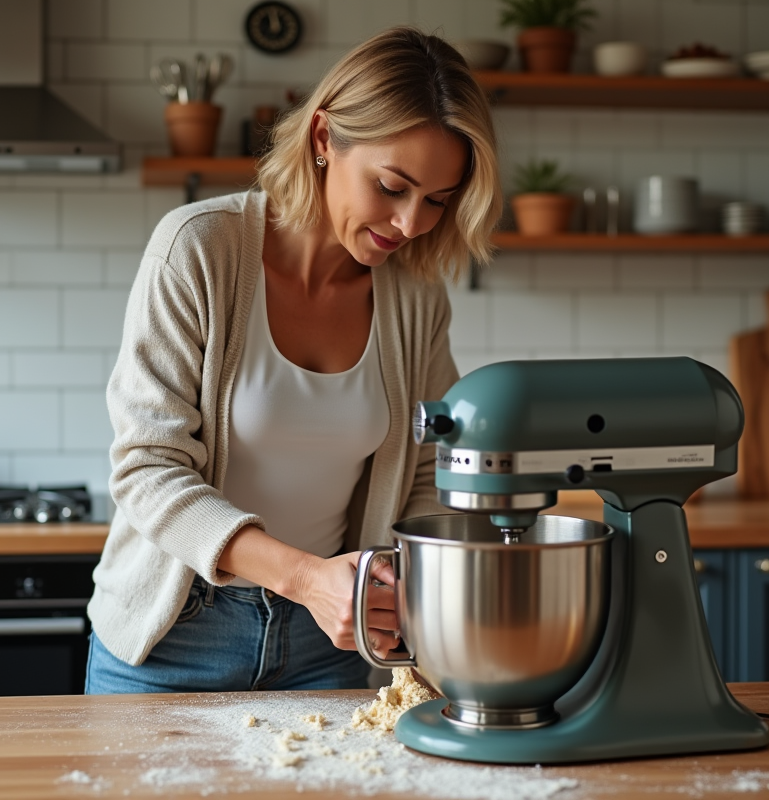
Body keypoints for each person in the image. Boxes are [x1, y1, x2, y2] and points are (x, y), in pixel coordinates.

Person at [84, 27, 501, 694]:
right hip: (174, 638)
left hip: (331, 645)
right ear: (323, 139)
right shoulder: (198, 249)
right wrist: (308, 579)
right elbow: (147, 469)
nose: (410, 223)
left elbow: (429, 465)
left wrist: (389, 581)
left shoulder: (417, 296)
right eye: (392, 186)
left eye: (438, 201)